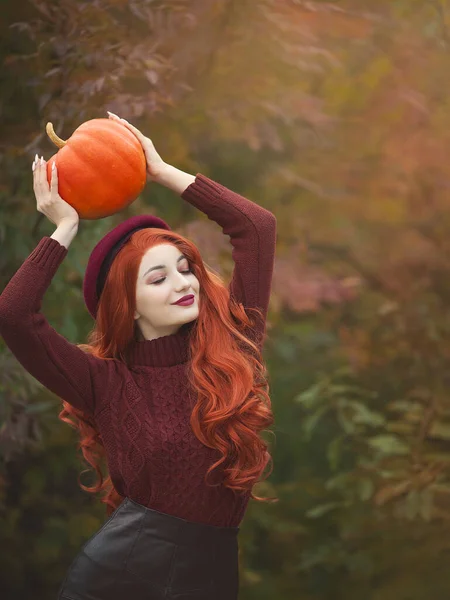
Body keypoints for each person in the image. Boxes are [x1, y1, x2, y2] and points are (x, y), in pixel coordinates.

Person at [0, 113, 277, 600]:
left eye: (185, 267)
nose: (184, 283)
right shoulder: (103, 382)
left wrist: (161, 170)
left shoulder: (231, 345)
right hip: (122, 578)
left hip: (210, 576)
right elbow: (14, 314)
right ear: (127, 305)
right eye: (158, 278)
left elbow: (257, 227)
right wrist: (65, 226)